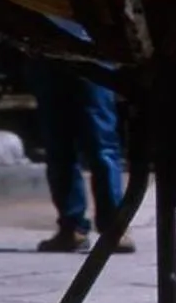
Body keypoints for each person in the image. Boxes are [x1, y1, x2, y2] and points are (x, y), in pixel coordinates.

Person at [28, 58, 133, 254]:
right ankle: (73, 227)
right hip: (50, 50)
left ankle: (113, 227)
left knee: (99, 143)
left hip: (88, 51)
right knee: (60, 144)